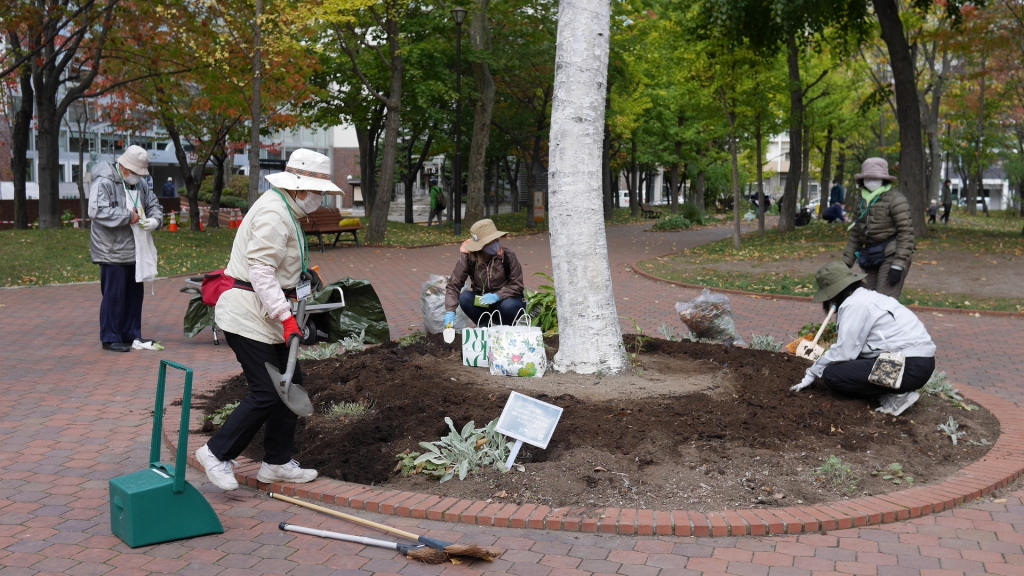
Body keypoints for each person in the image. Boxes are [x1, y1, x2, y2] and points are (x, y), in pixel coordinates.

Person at [195, 148, 343, 491]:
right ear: (298, 187)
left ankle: (276, 462)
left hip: (265, 314)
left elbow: (278, 265)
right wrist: (285, 317)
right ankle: (216, 453)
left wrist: (300, 280)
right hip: (247, 315)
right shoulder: (275, 214)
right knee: (267, 391)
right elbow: (261, 272)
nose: (320, 198)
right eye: (318, 192)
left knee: (290, 385)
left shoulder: (285, 210)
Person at [791, 262, 936, 416]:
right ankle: (895, 388)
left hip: (908, 366)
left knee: (833, 375)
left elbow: (844, 352)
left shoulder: (854, 305)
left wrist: (813, 372)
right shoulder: (867, 297)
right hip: (919, 363)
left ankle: (896, 395)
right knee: (848, 366)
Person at [88, 145, 163, 353]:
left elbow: (153, 204)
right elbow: (97, 211)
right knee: (114, 295)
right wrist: (128, 216)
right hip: (111, 249)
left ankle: (131, 333)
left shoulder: (140, 184)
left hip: (135, 248)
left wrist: (156, 220)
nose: (139, 177)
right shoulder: (104, 182)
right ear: (124, 168)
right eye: (136, 173)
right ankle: (110, 336)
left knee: (134, 294)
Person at [842, 158, 915, 299]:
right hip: (871, 255)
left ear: (884, 179)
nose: (871, 181)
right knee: (867, 299)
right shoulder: (860, 201)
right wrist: (845, 264)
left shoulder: (896, 199)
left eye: (875, 178)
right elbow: (856, 235)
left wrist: (898, 265)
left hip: (891, 253)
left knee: (883, 301)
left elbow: (906, 233)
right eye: (868, 178)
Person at [443, 219, 525, 328]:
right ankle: (484, 326)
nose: (495, 244)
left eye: (496, 240)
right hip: (483, 302)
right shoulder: (468, 258)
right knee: (465, 298)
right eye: (490, 242)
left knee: (508, 306)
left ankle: (507, 329)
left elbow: (517, 286)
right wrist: (450, 311)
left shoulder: (508, 256)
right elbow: (454, 286)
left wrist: (497, 295)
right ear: (481, 245)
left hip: (507, 301)